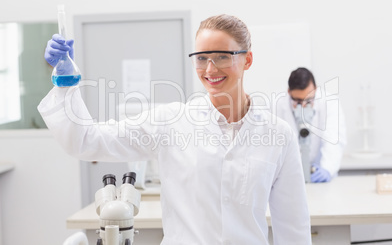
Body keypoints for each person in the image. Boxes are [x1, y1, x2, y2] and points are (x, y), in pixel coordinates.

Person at [38, 14, 312, 244]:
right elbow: (86, 141)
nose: (210, 68)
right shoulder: (171, 121)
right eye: (201, 57)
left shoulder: (278, 134)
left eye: (222, 56)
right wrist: (65, 85)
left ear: (247, 60)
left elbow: (294, 226)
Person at [275, 67, 347, 183]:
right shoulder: (277, 106)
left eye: (308, 101)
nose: (303, 106)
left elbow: (334, 139)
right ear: (289, 92)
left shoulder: (330, 103)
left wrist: (327, 169)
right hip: (287, 179)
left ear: (316, 89)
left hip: (320, 175)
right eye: (298, 101)